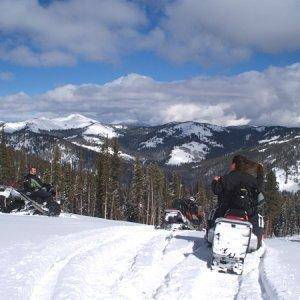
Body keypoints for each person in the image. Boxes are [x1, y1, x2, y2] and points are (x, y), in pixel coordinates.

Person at [210, 155, 264, 245]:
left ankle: (212, 234)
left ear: (234, 165)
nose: (230, 165)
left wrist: (215, 181)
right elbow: (259, 188)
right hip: (247, 211)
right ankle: (256, 239)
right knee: (255, 217)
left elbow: (216, 190)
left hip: (226, 209)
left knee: (215, 214)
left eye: (231, 163)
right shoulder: (251, 179)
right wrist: (260, 173)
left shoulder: (226, 178)